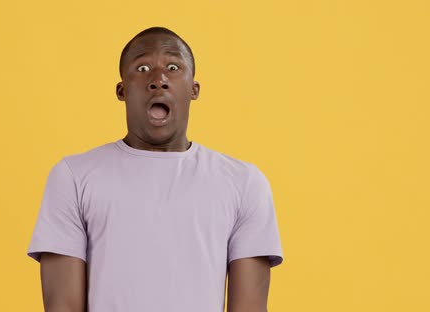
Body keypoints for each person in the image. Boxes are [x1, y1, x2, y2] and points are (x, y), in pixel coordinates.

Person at [27, 27, 283, 312]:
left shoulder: (244, 183)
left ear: (193, 89)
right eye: (143, 67)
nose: (158, 79)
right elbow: (63, 306)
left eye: (173, 67)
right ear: (122, 90)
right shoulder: (73, 177)